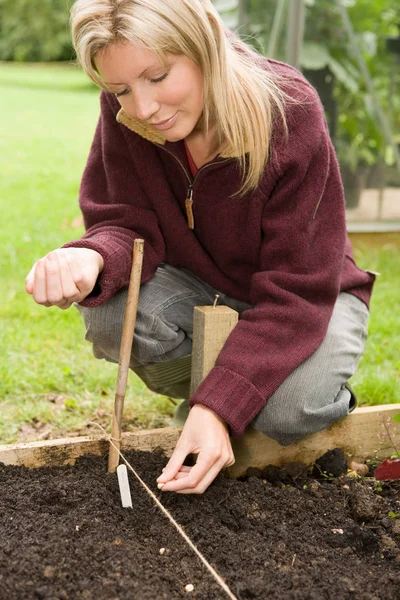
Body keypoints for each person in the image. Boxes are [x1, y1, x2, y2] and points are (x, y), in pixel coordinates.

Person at [26, 0, 375, 494]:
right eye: (121, 89)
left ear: (204, 45)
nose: (144, 108)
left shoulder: (289, 111)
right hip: (203, 284)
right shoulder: (128, 114)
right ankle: (223, 400)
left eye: (159, 76)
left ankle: (236, 403)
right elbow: (125, 219)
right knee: (109, 316)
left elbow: (296, 291)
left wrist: (217, 406)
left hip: (307, 296)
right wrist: (95, 254)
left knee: (289, 410)